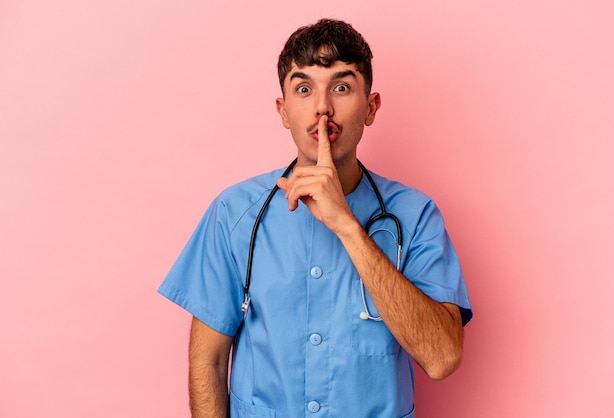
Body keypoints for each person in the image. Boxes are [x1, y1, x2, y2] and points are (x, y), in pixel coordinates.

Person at [158, 18, 472, 418]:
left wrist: (347, 224)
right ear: (284, 111)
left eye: (341, 87)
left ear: (371, 107)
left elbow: (442, 359)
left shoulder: (415, 216)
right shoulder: (234, 214)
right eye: (304, 89)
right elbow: (208, 362)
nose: (323, 107)